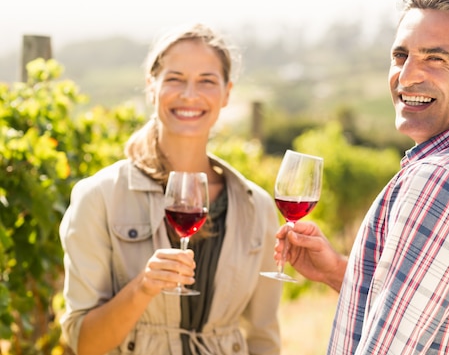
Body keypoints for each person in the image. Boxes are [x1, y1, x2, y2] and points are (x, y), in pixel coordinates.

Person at [275, 0, 449, 354]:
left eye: (435, 58)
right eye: (401, 56)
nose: (407, 76)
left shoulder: (441, 180)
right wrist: (341, 272)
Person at [59, 23, 282, 355]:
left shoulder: (257, 206)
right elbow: (85, 344)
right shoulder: (99, 197)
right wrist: (143, 288)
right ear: (152, 87)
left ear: (226, 93)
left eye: (206, 81)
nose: (189, 95)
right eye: (175, 79)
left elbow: (263, 337)